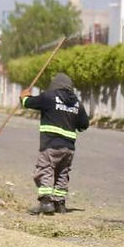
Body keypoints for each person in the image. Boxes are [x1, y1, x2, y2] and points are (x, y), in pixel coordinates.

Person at [20, 72, 90, 215]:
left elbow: (28, 103)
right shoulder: (77, 103)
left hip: (51, 144)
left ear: (54, 85)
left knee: (45, 170)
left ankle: (46, 202)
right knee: (62, 174)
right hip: (68, 148)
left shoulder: (49, 97)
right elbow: (84, 125)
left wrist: (24, 96)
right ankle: (60, 203)